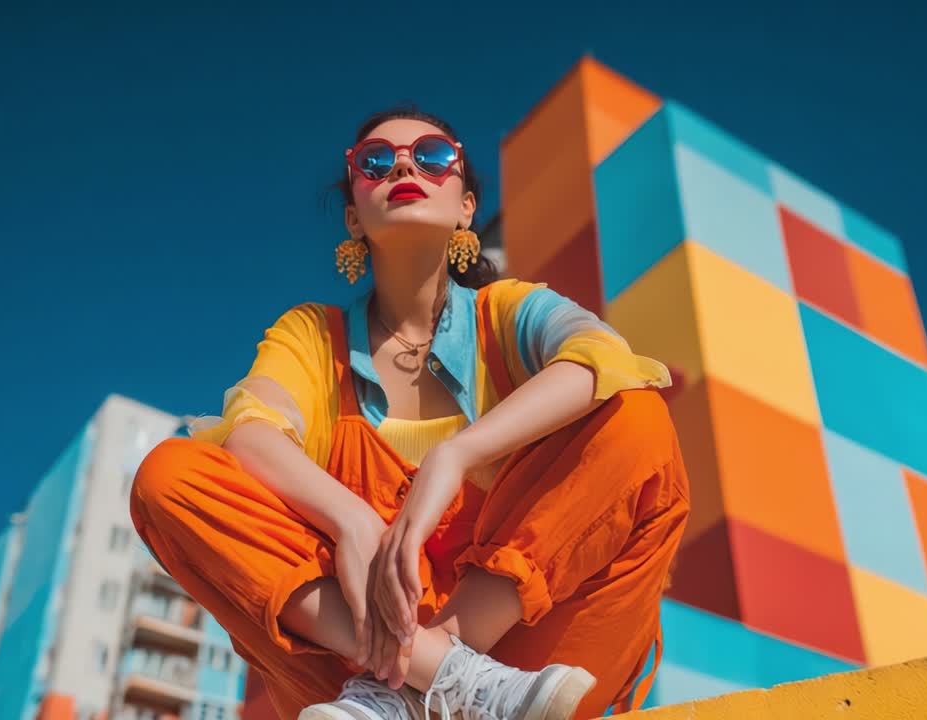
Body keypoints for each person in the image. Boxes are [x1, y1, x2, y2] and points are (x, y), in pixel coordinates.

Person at [129, 105, 690, 720]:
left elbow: (601, 360)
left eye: (432, 156)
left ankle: (438, 676)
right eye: (374, 161)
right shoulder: (316, 337)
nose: (402, 165)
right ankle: (430, 674)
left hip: (530, 670)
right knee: (168, 477)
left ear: (466, 207)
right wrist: (351, 519)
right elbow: (250, 433)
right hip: (347, 675)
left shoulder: (508, 314)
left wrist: (456, 454)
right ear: (353, 216)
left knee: (634, 419)